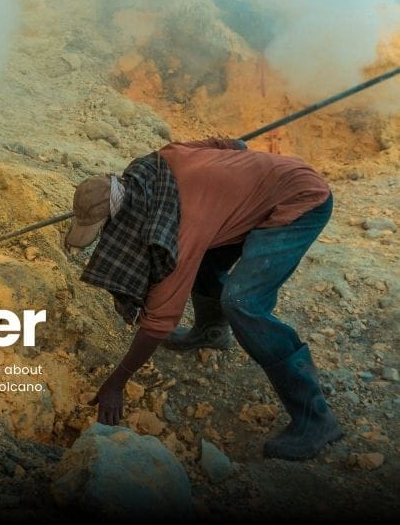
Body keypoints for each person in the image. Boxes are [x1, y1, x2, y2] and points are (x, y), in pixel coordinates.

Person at [65, 138, 342, 460]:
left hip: (300, 200)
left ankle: (316, 418)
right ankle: (211, 332)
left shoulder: (185, 227)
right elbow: (234, 144)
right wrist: (233, 180)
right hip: (269, 185)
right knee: (207, 263)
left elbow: (159, 321)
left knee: (242, 302)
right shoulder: (160, 160)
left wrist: (116, 383)